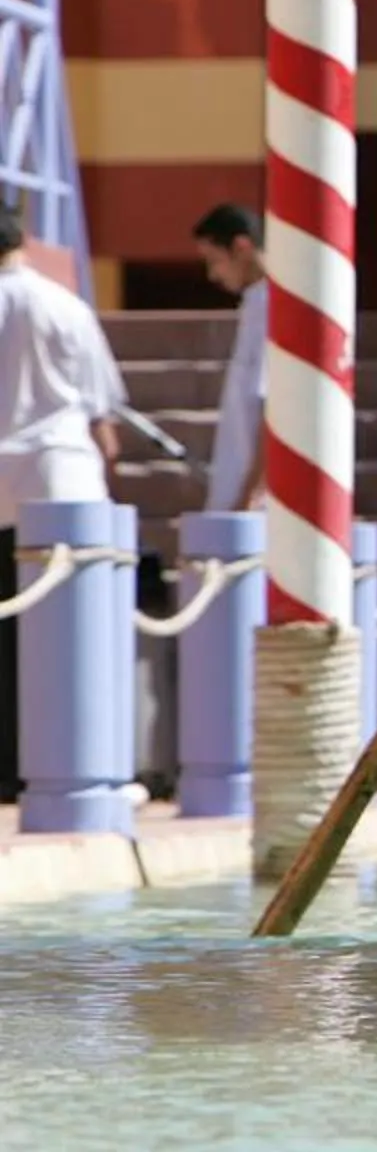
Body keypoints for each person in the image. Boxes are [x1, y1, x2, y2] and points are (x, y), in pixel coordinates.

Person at [0, 200, 125, 798]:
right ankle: (78, 770)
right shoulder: (64, 305)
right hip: (62, 486)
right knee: (68, 644)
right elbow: (102, 411)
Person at [192, 202, 268, 511]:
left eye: (215, 260)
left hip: (257, 507)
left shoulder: (273, 309)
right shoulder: (255, 305)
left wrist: (248, 495)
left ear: (241, 248)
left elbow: (276, 411)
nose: (213, 275)